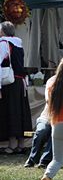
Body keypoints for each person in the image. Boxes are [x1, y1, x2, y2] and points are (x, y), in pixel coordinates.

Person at [0, 21, 31, 154]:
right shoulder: (19, 44)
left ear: (3, 31)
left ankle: (12, 145)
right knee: (20, 112)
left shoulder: (4, 44)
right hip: (20, 82)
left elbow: (1, 64)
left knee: (11, 111)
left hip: (9, 82)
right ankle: (21, 144)